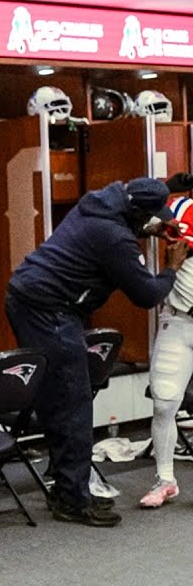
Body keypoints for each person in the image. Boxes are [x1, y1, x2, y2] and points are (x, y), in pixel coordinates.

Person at [6, 176, 186, 527]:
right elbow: (147, 295)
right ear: (134, 211)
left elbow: (141, 207)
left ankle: (64, 482)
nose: (157, 220)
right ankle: (73, 499)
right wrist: (171, 268)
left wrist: (152, 229)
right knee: (73, 400)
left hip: (34, 299)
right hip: (48, 309)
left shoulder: (103, 202)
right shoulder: (113, 237)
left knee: (59, 394)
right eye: (151, 216)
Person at [141, 173, 193, 508]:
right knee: (164, 402)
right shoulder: (182, 207)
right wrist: (160, 224)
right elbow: (139, 217)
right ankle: (165, 480)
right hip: (180, 318)